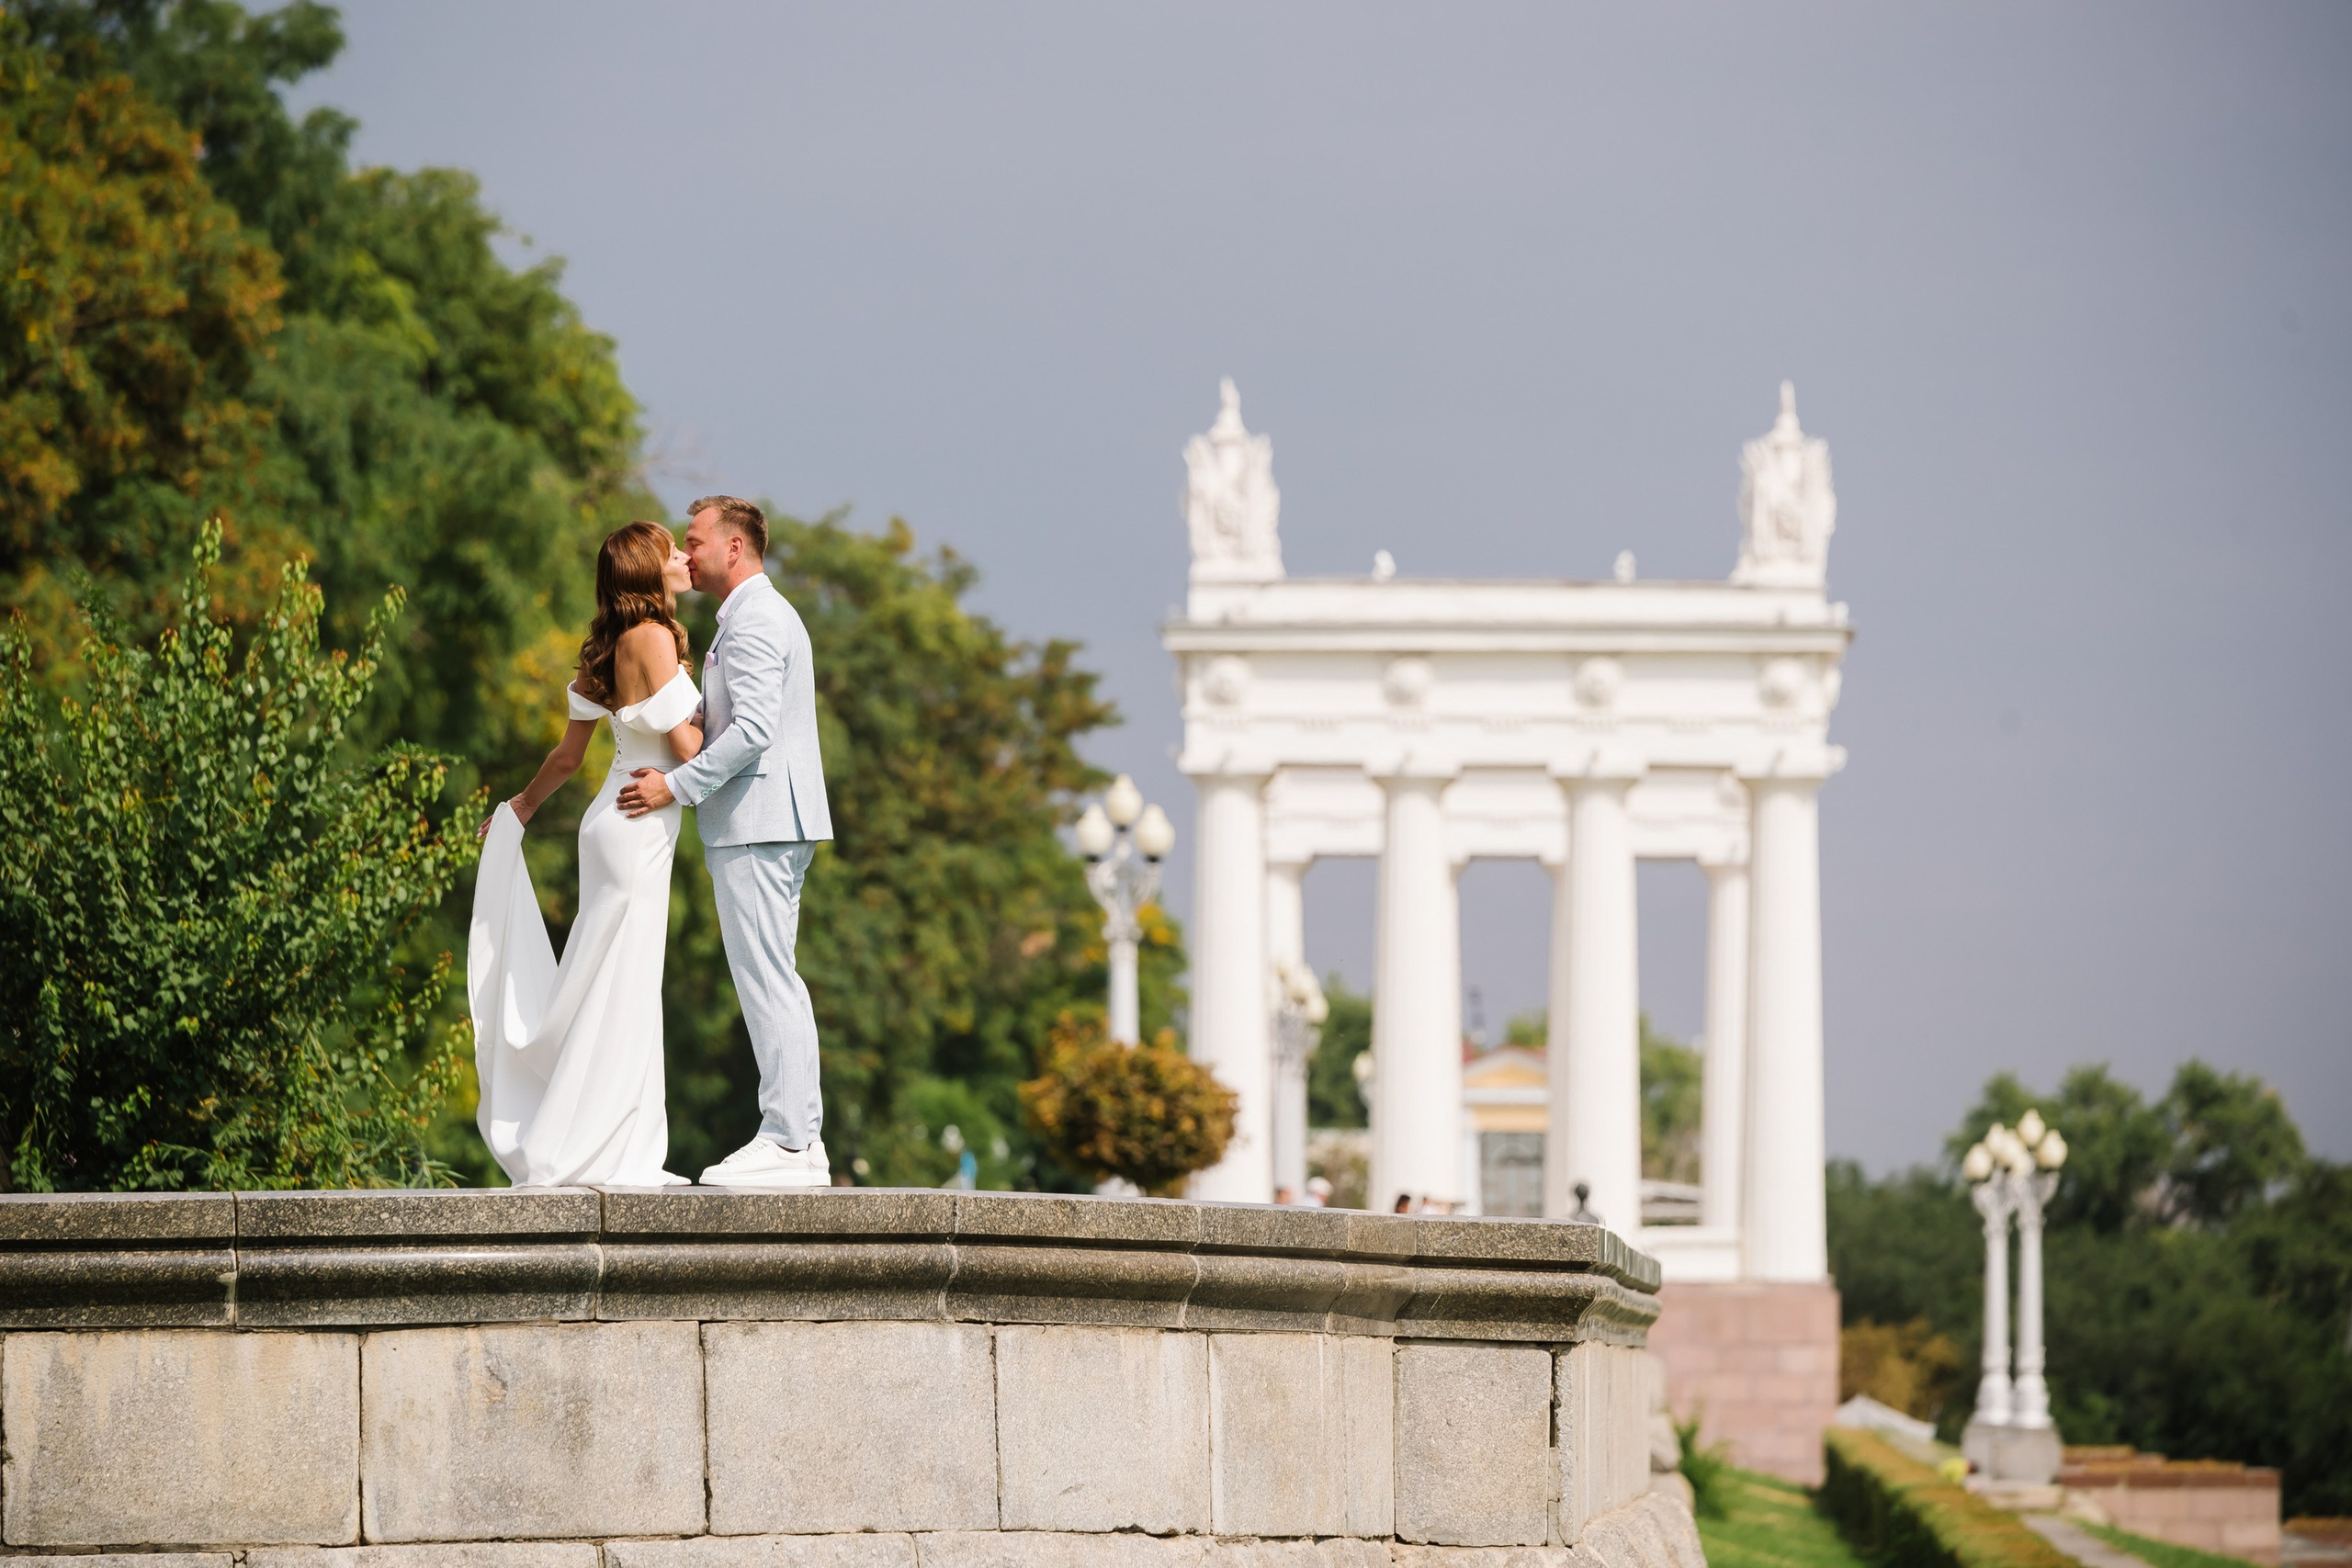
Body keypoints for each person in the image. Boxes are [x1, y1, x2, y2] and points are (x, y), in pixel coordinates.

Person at [468, 521, 703, 1187]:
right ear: (648, 570)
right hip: (640, 823)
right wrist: (750, 727)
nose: (683, 557)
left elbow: (569, 758)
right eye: (671, 551)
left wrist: (523, 804)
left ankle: (616, 1142)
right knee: (626, 987)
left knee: (615, 983)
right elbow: (686, 747)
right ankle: (605, 1147)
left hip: (607, 820)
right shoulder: (656, 637)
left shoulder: (608, 644)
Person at [616, 495, 836, 1188]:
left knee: (766, 976)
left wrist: (675, 787)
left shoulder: (757, 618)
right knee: (773, 974)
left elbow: (753, 731)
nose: (686, 554)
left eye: (695, 541)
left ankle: (790, 1140)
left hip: (758, 821)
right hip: (765, 821)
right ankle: (800, 1137)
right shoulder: (751, 616)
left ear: (734, 547)